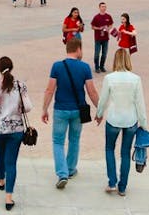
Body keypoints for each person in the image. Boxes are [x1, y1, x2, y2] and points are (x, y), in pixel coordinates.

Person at [41, 38, 99, 189]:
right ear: (78, 49)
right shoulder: (85, 67)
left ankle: (62, 173)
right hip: (78, 111)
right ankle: (71, 169)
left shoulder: (57, 66)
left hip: (60, 109)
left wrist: (44, 109)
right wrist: (99, 109)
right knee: (74, 140)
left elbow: (50, 89)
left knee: (58, 142)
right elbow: (91, 91)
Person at [0, 57, 31, 211]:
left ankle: (1, 179)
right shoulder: (20, 85)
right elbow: (28, 107)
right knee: (11, 162)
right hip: (15, 129)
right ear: (12, 67)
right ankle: (9, 197)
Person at [95, 48, 147, 196]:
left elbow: (103, 99)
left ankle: (112, 182)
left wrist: (99, 114)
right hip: (131, 120)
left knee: (109, 149)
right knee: (125, 153)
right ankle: (122, 187)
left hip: (113, 119)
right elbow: (140, 103)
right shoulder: (136, 79)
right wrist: (143, 123)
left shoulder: (109, 78)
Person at [91, 2, 113, 73]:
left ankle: (102, 66)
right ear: (99, 7)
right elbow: (92, 26)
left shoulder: (108, 16)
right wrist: (99, 28)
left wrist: (108, 28)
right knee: (97, 54)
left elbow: (111, 24)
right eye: (102, 7)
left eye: (105, 7)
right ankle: (97, 67)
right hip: (98, 38)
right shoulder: (96, 17)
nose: (104, 8)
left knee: (104, 54)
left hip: (106, 38)